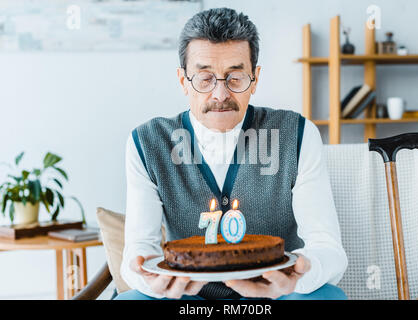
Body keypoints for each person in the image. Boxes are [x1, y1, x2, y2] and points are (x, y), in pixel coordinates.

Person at [116, 7, 348, 300]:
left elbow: (329, 248)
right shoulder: (147, 142)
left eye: (235, 77)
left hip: (274, 297)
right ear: (182, 81)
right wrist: (150, 280)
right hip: (189, 300)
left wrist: (297, 276)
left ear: (255, 77)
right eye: (204, 78)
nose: (220, 94)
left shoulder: (297, 134)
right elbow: (137, 252)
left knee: (328, 297)